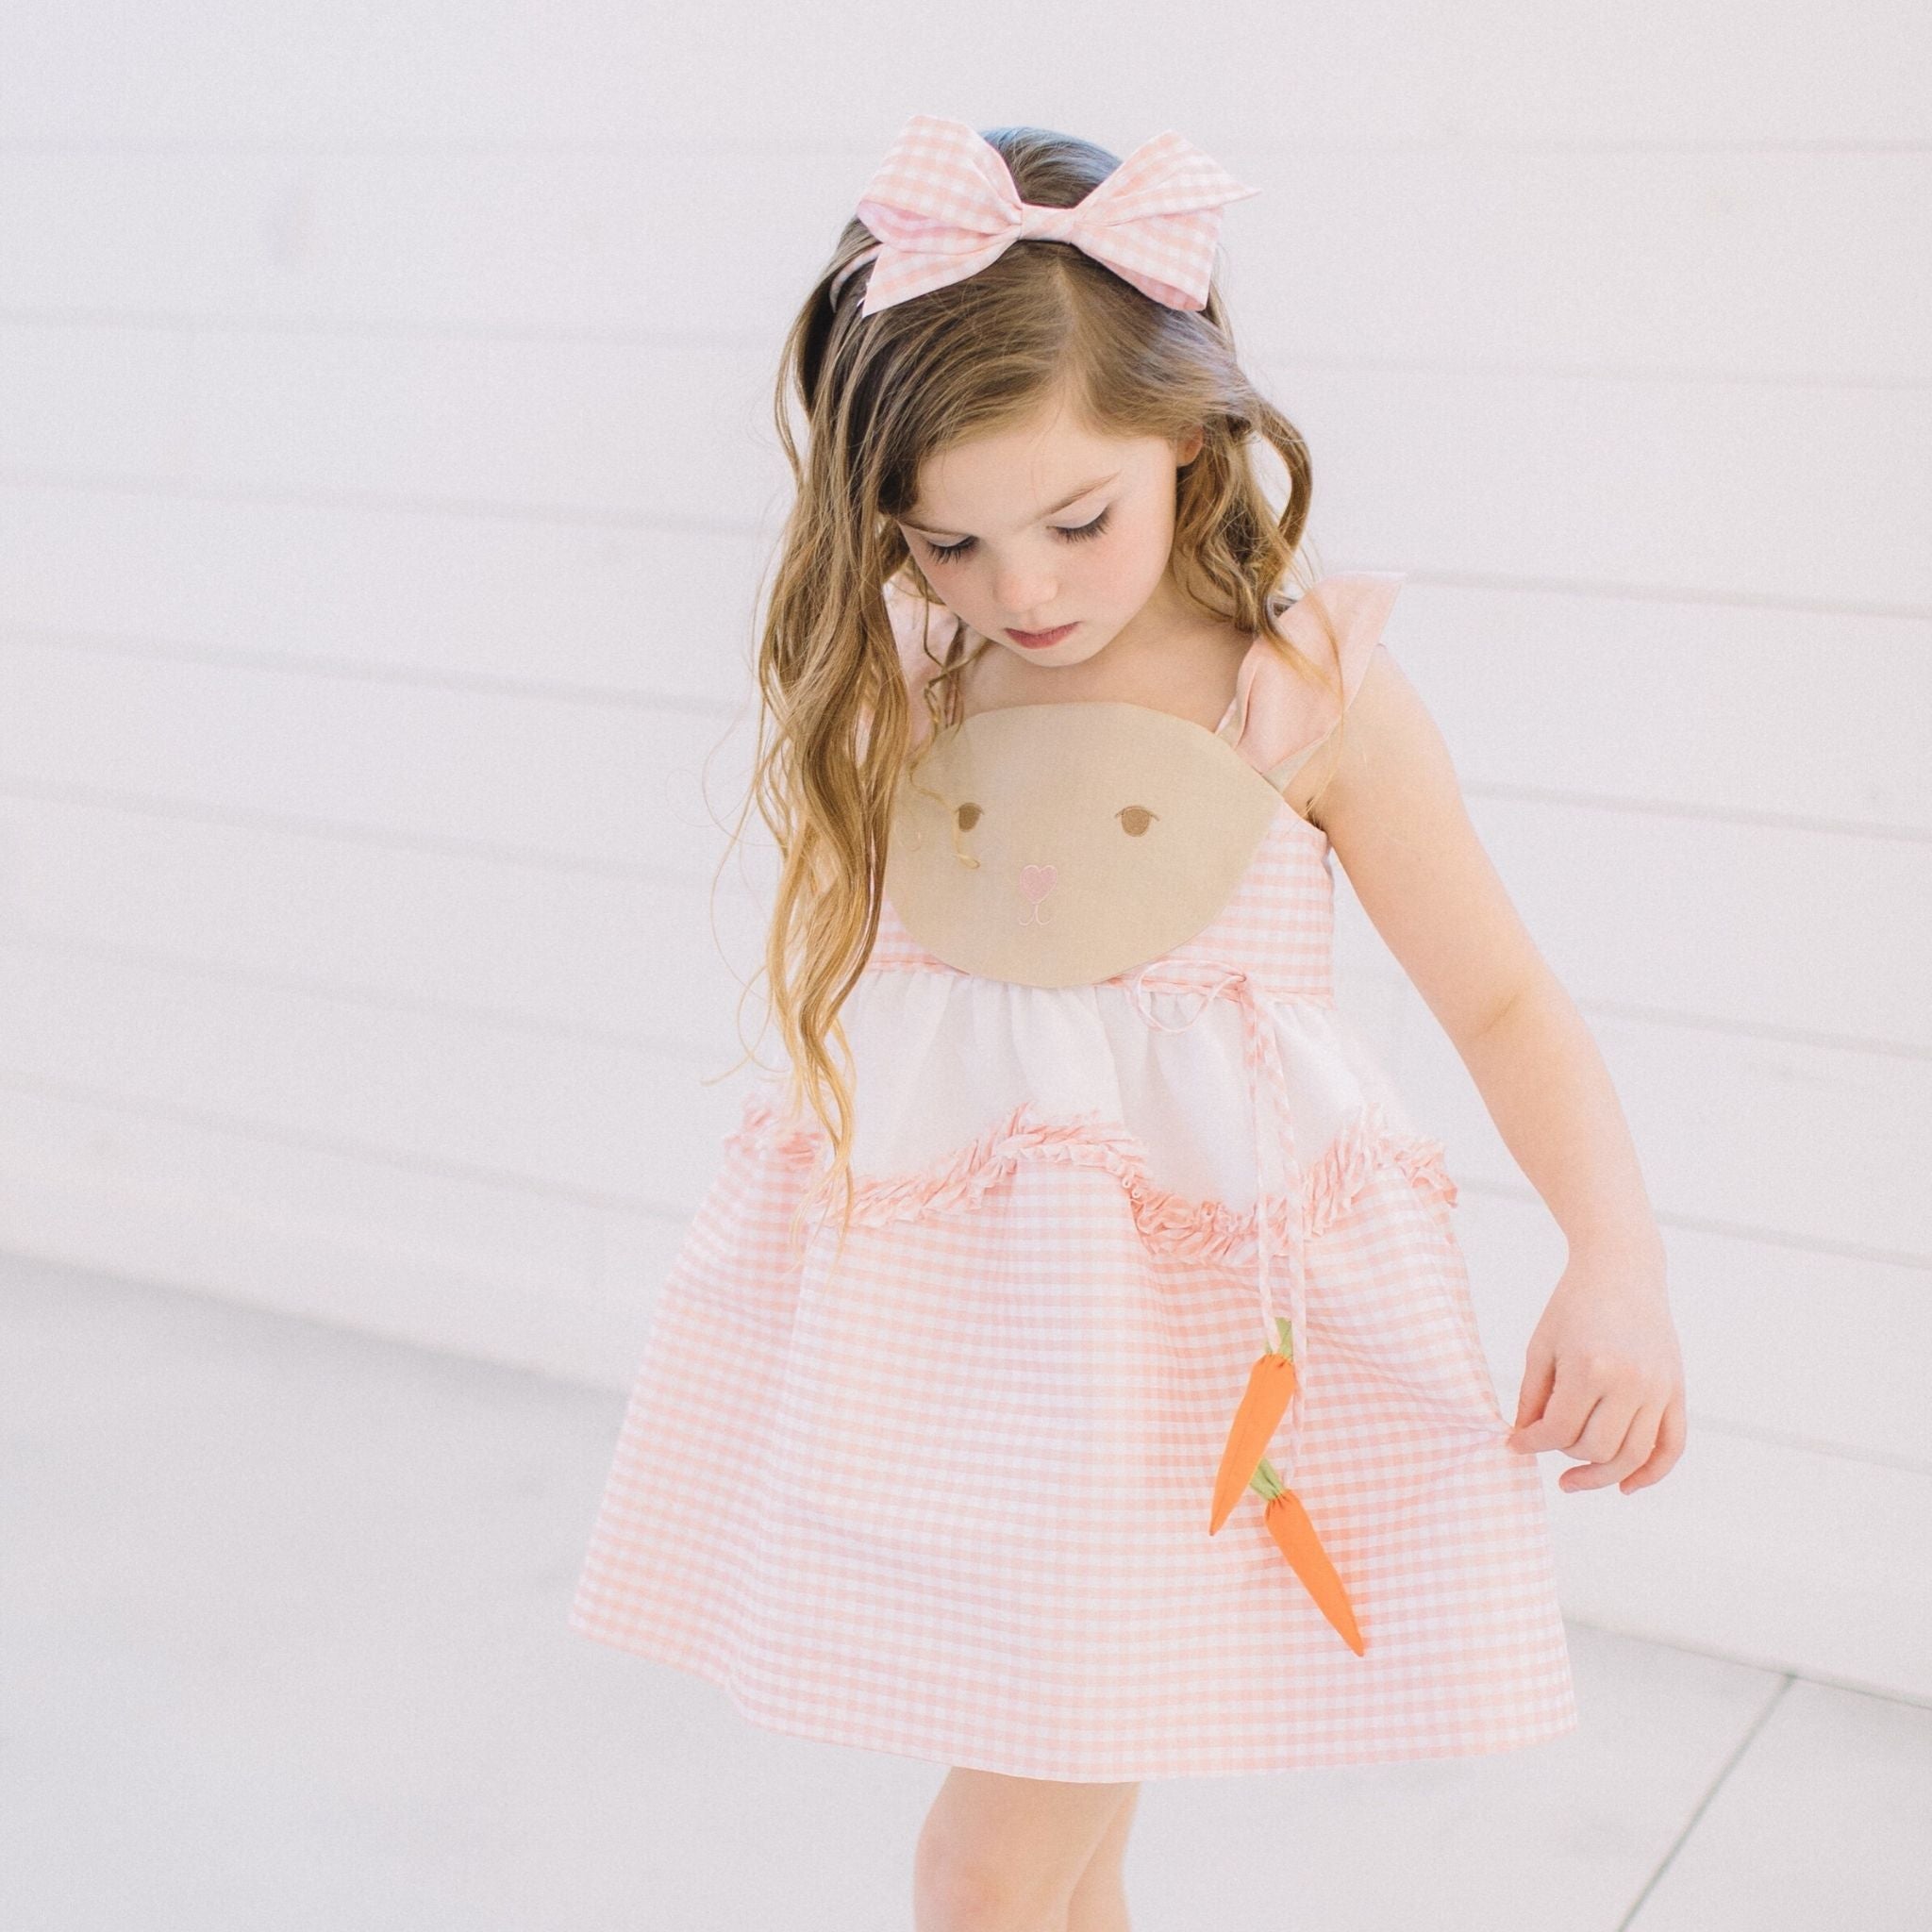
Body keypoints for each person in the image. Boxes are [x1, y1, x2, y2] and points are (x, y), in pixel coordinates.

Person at [570, 113, 1687, 1931]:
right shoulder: (917, 678)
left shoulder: (1302, 692)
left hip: (1186, 1388)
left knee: (984, 1869)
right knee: (1065, 1859)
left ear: (1184, 431)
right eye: (948, 540)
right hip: (977, 1380)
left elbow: (1500, 996)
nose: (1022, 590)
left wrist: (1614, 1257)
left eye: (1076, 521)